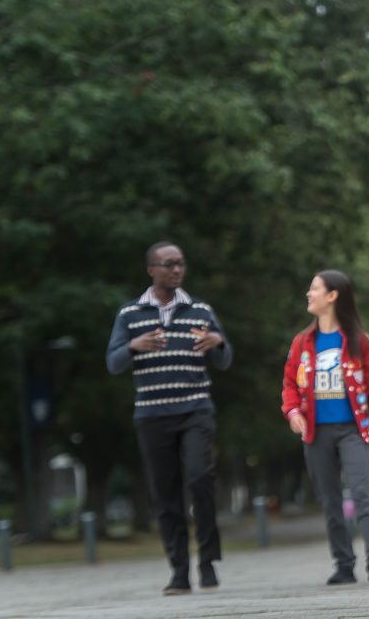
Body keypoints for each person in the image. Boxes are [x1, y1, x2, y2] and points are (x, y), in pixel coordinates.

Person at [106, 242, 232, 595]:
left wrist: (218, 342)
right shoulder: (130, 314)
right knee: (165, 494)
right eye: (168, 264)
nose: (176, 270)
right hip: (152, 414)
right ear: (152, 270)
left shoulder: (200, 310)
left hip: (195, 409)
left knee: (199, 478)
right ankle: (179, 570)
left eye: (180, 264)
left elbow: (224, 359)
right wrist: (133, 346)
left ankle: (207, 560)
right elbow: (113, 363)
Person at [281, 269, 369, 584]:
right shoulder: (303, 342)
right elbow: (290, 383)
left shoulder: (359, 341)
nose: (309, 293)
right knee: (330, 499)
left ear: (332, 296)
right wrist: (293, 412)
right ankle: (344, 564)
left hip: (352, 430)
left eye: (314, 288)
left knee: (360, 492)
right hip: (316, 433)